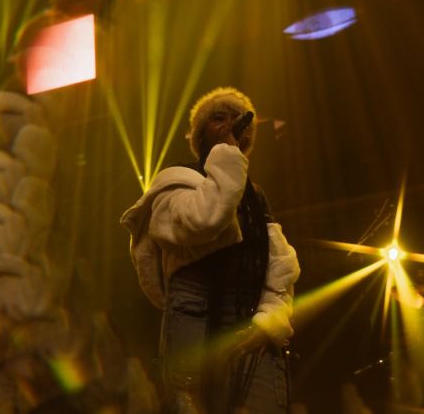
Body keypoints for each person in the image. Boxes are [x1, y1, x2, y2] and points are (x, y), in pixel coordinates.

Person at [121, 87, 301, 413]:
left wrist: (268, 321)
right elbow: (204, 220)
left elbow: (280, 265)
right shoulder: (175, 179)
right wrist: (228, 154)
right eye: (219, 118)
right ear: (200, 133)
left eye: (238, 119)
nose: (231, 124)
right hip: (194, 313)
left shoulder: (255, 197)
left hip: (248, 318)